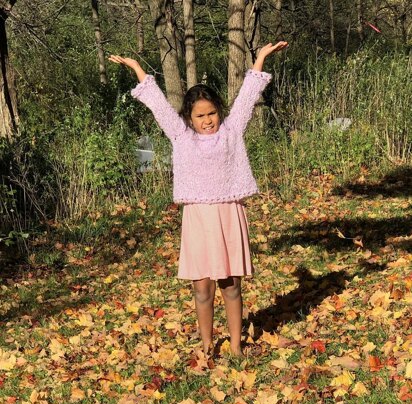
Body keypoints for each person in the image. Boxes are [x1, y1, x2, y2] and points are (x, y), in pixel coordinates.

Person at [109, 41, 288, 357]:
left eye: (212, 113)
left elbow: (246, 98)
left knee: (231, 285)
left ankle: (235, 346)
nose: (208, 120)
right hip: (197, 220)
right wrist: (138, 71)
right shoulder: (180, 137)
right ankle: (206, 346)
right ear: (189, 118)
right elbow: (159, 105)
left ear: (219, 112)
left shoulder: (231, 132)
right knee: (202, 288)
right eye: (200, 115)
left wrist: (260, 59)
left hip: (228, 214)